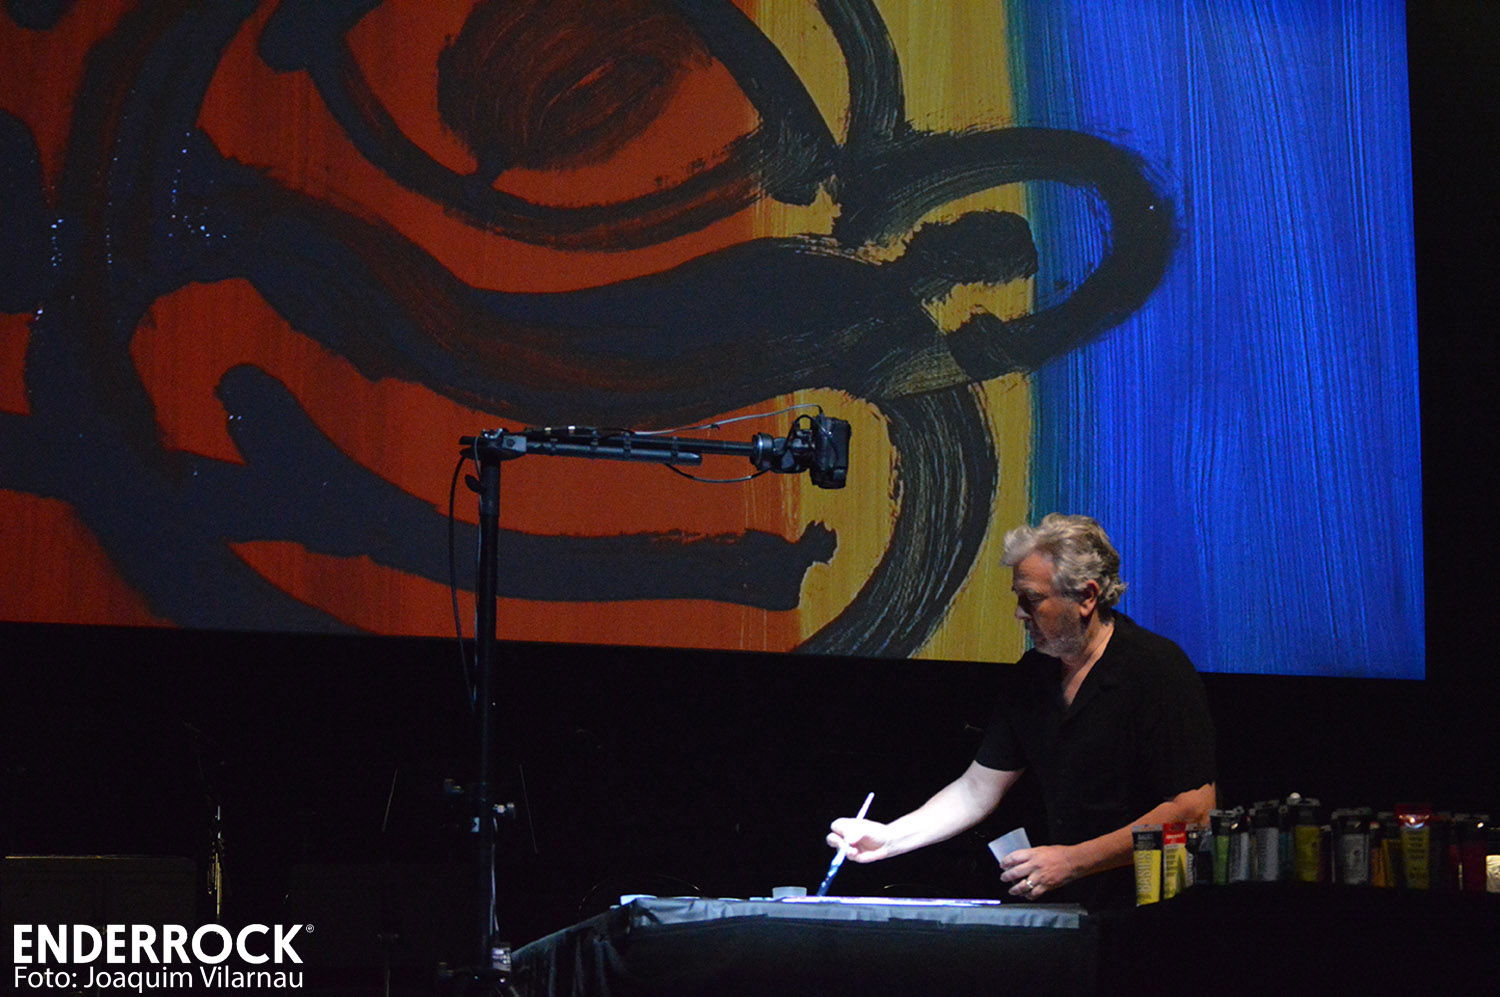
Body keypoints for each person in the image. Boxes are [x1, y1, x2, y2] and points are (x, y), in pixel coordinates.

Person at [826, 513, 1216, 909]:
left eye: (1032, 599)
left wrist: (1073, 861)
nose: (1019, 614)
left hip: (1157, 906)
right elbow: (976, 790)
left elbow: (1194, 812)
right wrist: (890, 838)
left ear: (1087, 597)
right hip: (1075, 907)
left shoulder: (1156, 669)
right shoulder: (1034, 675)